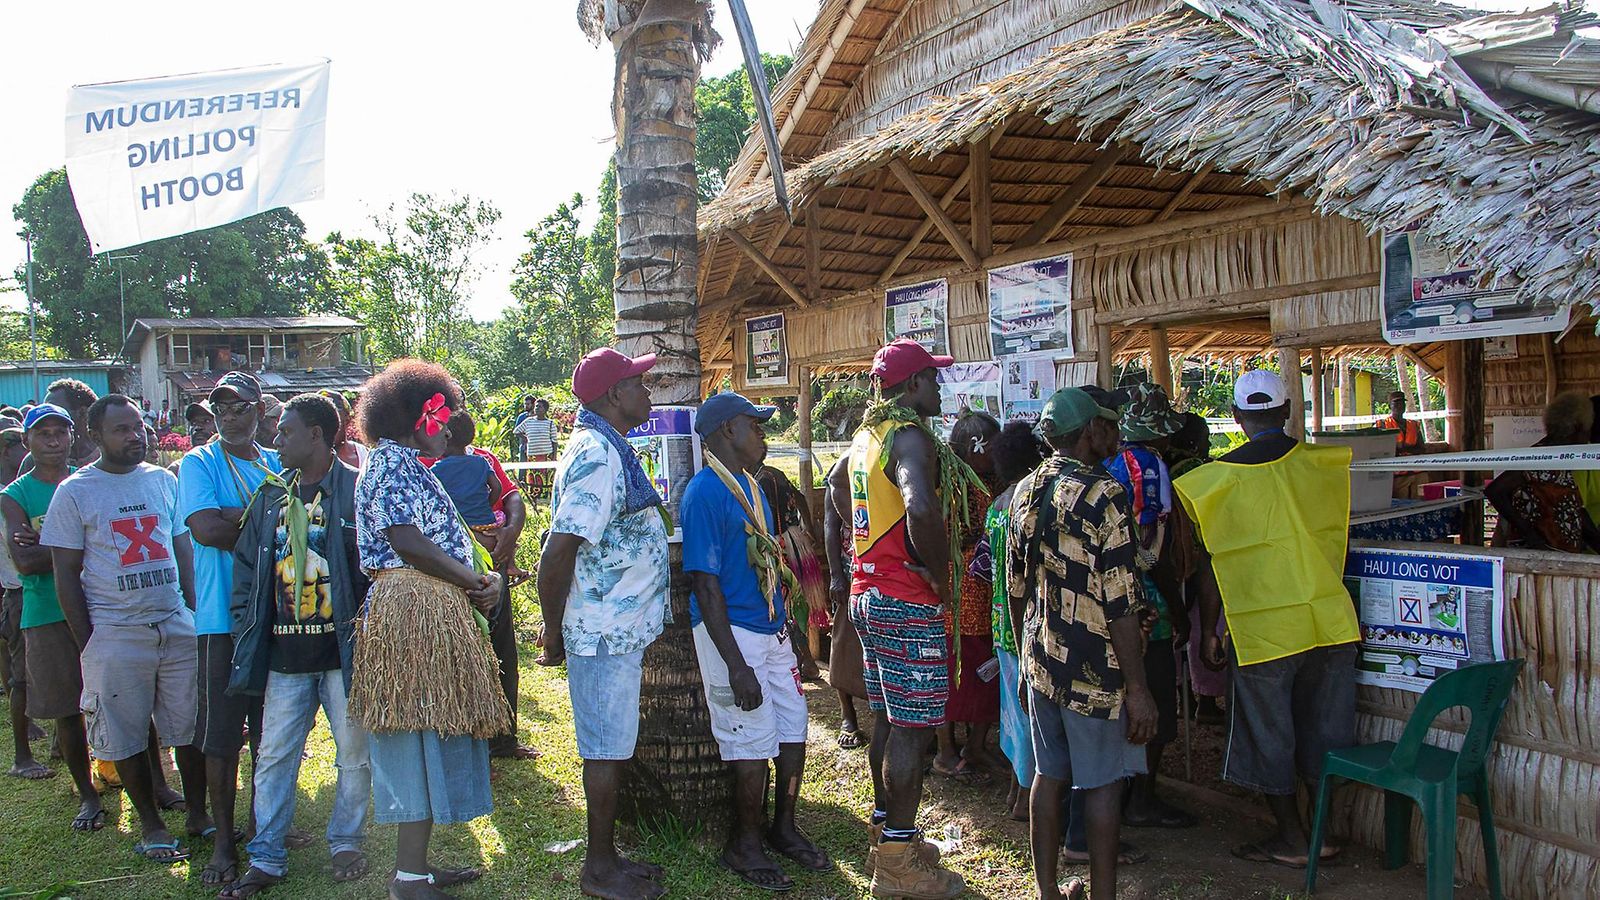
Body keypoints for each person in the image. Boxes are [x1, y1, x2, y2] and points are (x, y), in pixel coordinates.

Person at [1174, 370, 1361, 869]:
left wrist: (1210, 630)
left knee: (1269, 735)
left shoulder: (1212, 484)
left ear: (1236, 418)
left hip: (1263, 631)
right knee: (1323, 734)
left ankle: (1293, 838)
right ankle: (1322, 833)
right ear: (1286, 413)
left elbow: (1214, 565)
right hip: (1331, 623)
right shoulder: (1324, 464)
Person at [348, 360, 508, 900]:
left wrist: (474, 584)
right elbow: (405, 539)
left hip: (428, 608)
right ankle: (409, 878)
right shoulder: (391, 465)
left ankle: (417, 865)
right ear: (418, 418)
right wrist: (473, 579)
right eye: (442, 419)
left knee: (431, 732)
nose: (447, 428)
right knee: (416, 738)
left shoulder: (403, 462)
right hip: (412, 610)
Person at [828, 338, 977, 899]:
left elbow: (838, 485)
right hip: (904, 599)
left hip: (869, 594)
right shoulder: (910, 437)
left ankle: (888, 832)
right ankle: (896, 863)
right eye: (932, 380)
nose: (938, 388)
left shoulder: (867, 436)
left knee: (890, 719)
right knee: (913, 729)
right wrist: (937, 574)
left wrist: (865, 548)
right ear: (912, 386)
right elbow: (919, 506)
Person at [41, 394, 206, 862]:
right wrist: (89, 641)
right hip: (115, 631)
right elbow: (65, 574)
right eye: (122, 429)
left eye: (139, 426)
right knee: (126, 732)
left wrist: (192, 614)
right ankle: (152, 825)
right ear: (95, 436)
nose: (136, 436)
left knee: (187, 727)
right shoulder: (75, 491)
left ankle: (198, 813)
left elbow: (182, 551)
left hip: (174, 623)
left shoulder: (162, 480)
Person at [220, 393, 371, 899]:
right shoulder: (269, 498)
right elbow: (247, 571)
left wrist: (367, 633)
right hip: (284, 658)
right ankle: (266, 854)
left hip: (341, 654)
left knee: (353, 755)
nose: (275, 440)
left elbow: (374, 571)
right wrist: (248, 621)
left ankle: (346, 840)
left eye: (285, 431)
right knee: (275, 757)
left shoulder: (355, 493)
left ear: (317, 436)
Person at [1008, 387, 1156, 900]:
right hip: (1095, 667)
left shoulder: (1024, 491)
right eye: (1106, 425)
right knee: (1101, 784)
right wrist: (1137, 688)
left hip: (1043, 658)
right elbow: (1120, 604)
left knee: (1048, 777)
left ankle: (1048, 891)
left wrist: (1027, 660)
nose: (1112, 433)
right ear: (1090, 431)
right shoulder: (1105, 496)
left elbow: (1016, 589)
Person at [538, 347, 670, 900]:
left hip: (614, 628)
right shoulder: (596, 453)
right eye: (638, 383)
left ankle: (608, 855)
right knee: (603, 748)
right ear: (615, 395)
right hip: (598, 632)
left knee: (612, 743)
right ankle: (598, 869)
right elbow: (558, 550)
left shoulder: (607, 446)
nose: (647, 391)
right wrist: (551, 632)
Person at [683, 392, 829, 891]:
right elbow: (704, 584)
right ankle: (743, 845)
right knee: (749, 740)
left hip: (768, 629)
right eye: (755, 425)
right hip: (733, 637)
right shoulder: (704, 493)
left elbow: (765, 563)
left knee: (793, 723)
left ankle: (782, 828)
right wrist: (736, 666)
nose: (764, 433)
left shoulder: (751, 485)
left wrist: (785, 625)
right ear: (727, 431)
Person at [177, 371, 284, 886]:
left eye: (239, 407)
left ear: (259, 409)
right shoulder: (198, 462)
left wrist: (240, 517)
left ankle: (263, 825)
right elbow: (206, 529)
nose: (229, 417)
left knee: (271, 731)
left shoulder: (275, 462)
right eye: (220, 408)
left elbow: (297, 523)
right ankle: (223, 841)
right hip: (223, 619)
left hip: (274, 614)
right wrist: (261, 519)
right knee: (222, 735)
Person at [1103, 383, 1195, 830]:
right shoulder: (1149, 468)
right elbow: (1151, 553)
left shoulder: (1102, 461)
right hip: (1145, 611)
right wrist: (1179, 612)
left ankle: (1114, 795)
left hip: (1103, 608)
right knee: (1152, 703)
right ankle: (1141, 799)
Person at [974, 420, 1047, 822]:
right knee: (1034, 715)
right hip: (1032, 623)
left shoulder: (997, 505)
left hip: (1002, 624)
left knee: (1015, 713)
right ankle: (1025, 797)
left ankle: (1016, 792)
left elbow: (982, 569)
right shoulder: (1032, 501)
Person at [933, 412, 999, 782]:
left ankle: (976, 746)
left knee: (985, 675)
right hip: (957, 599)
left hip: (987, 600)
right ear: (975, 449)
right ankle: (946, 751)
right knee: (950, 677)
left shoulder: (993, 481)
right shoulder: (947, 484)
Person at [1486, 391, 1600, 553]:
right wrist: (1530, 534)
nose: (1587, 438)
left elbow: (1574, 509)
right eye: (1586, 432)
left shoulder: (1562, 461)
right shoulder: (1541, 456)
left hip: (1558, 554)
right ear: (1577, 428)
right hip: (1537, 557)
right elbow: (1495, 490)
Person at [1, 414, 50, 783]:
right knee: (22, 679)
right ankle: (21, 757)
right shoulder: (12, 498)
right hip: (20, 595)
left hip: (63, 592)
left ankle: (63, 746)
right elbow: (25, 559)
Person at [822, 456, 870, 750]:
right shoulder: (840, 474)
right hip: (850, 570)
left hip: (881, 570)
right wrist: (836, 576)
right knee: (844, 643)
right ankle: (847, 716)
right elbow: (830, 525)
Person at [515, 397, 559, 502]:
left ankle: (546, 498)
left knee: (546, 477)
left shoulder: (550, 423)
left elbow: (554, 441)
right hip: (533, 454)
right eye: (536, 407)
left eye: (540, 407)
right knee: (533, 476)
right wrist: (525, 438)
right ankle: (534, 497)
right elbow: (516, 431)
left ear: (545, 409)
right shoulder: (528, 421)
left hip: (546, 454)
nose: (537, 409)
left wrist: (554, 456)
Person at [317, 391, 369, 470]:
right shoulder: (307, 460)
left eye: (332, 421)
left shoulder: (364, 455)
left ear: (347, 421)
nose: (326, 428)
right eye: (320, 422)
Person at [1377, 390, 1425, 455]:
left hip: (1413, 460)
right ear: (1389, 406)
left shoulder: (1414, 424)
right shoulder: (1382, 424)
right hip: (1391, 462)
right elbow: (1379, 448)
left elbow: (1422, 448)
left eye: (1402, 403)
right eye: (1396, 404)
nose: (1400, 406)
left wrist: (1408, 452)